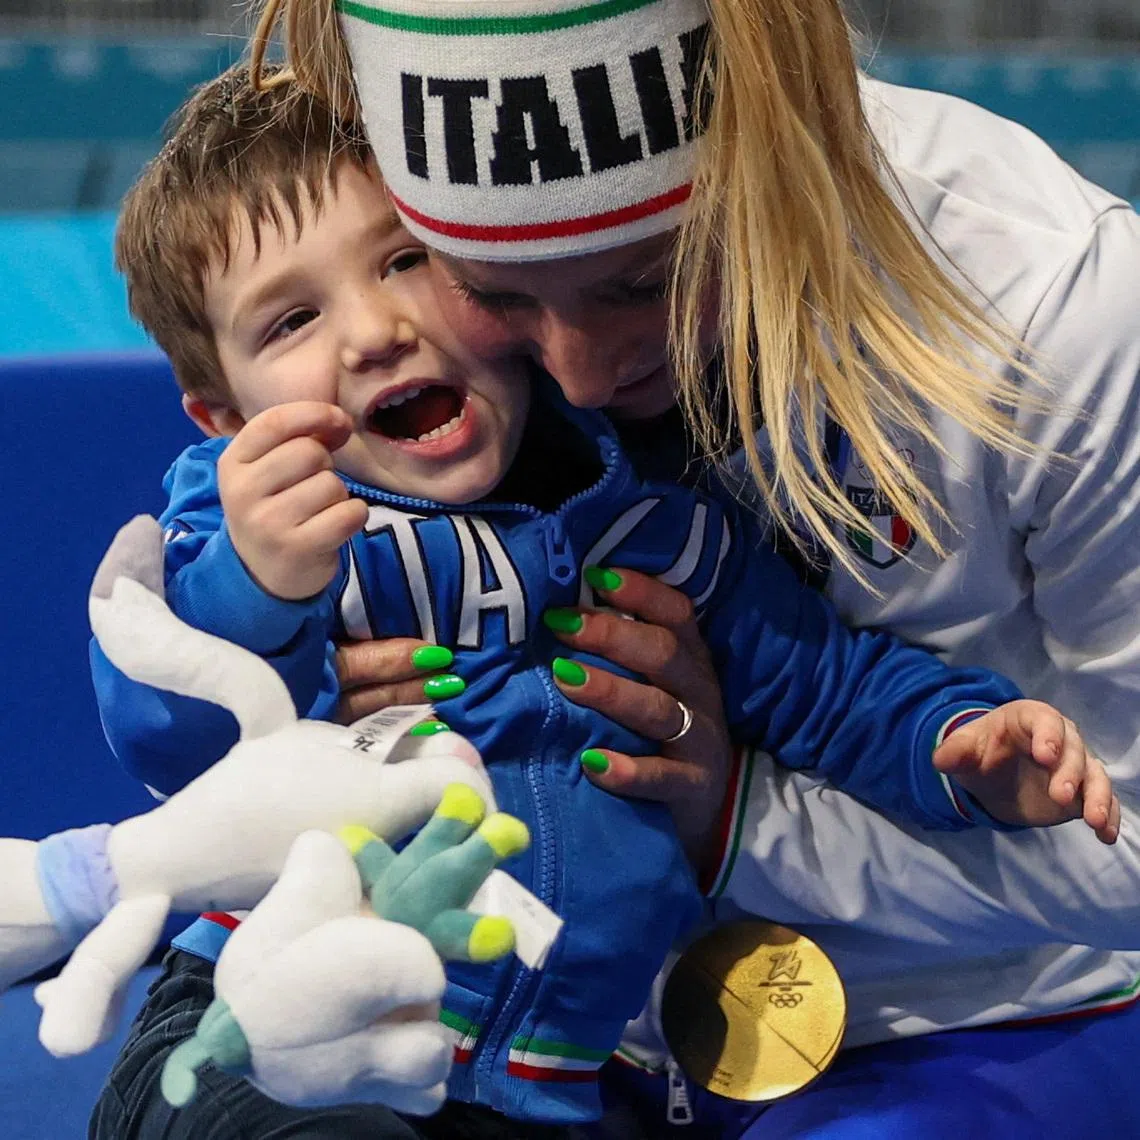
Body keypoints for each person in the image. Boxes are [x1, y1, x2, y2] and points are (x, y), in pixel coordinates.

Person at [87, 65, 1115, 1139]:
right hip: (273, 1034)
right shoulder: (256, 519)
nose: (375, 329)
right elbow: (172, 732)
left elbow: (823, 681)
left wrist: (960, 744)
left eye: (405, 262)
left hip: (550, 1084)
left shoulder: (650, 515)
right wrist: (256, 595)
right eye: (293, 318)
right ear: (218, 411)